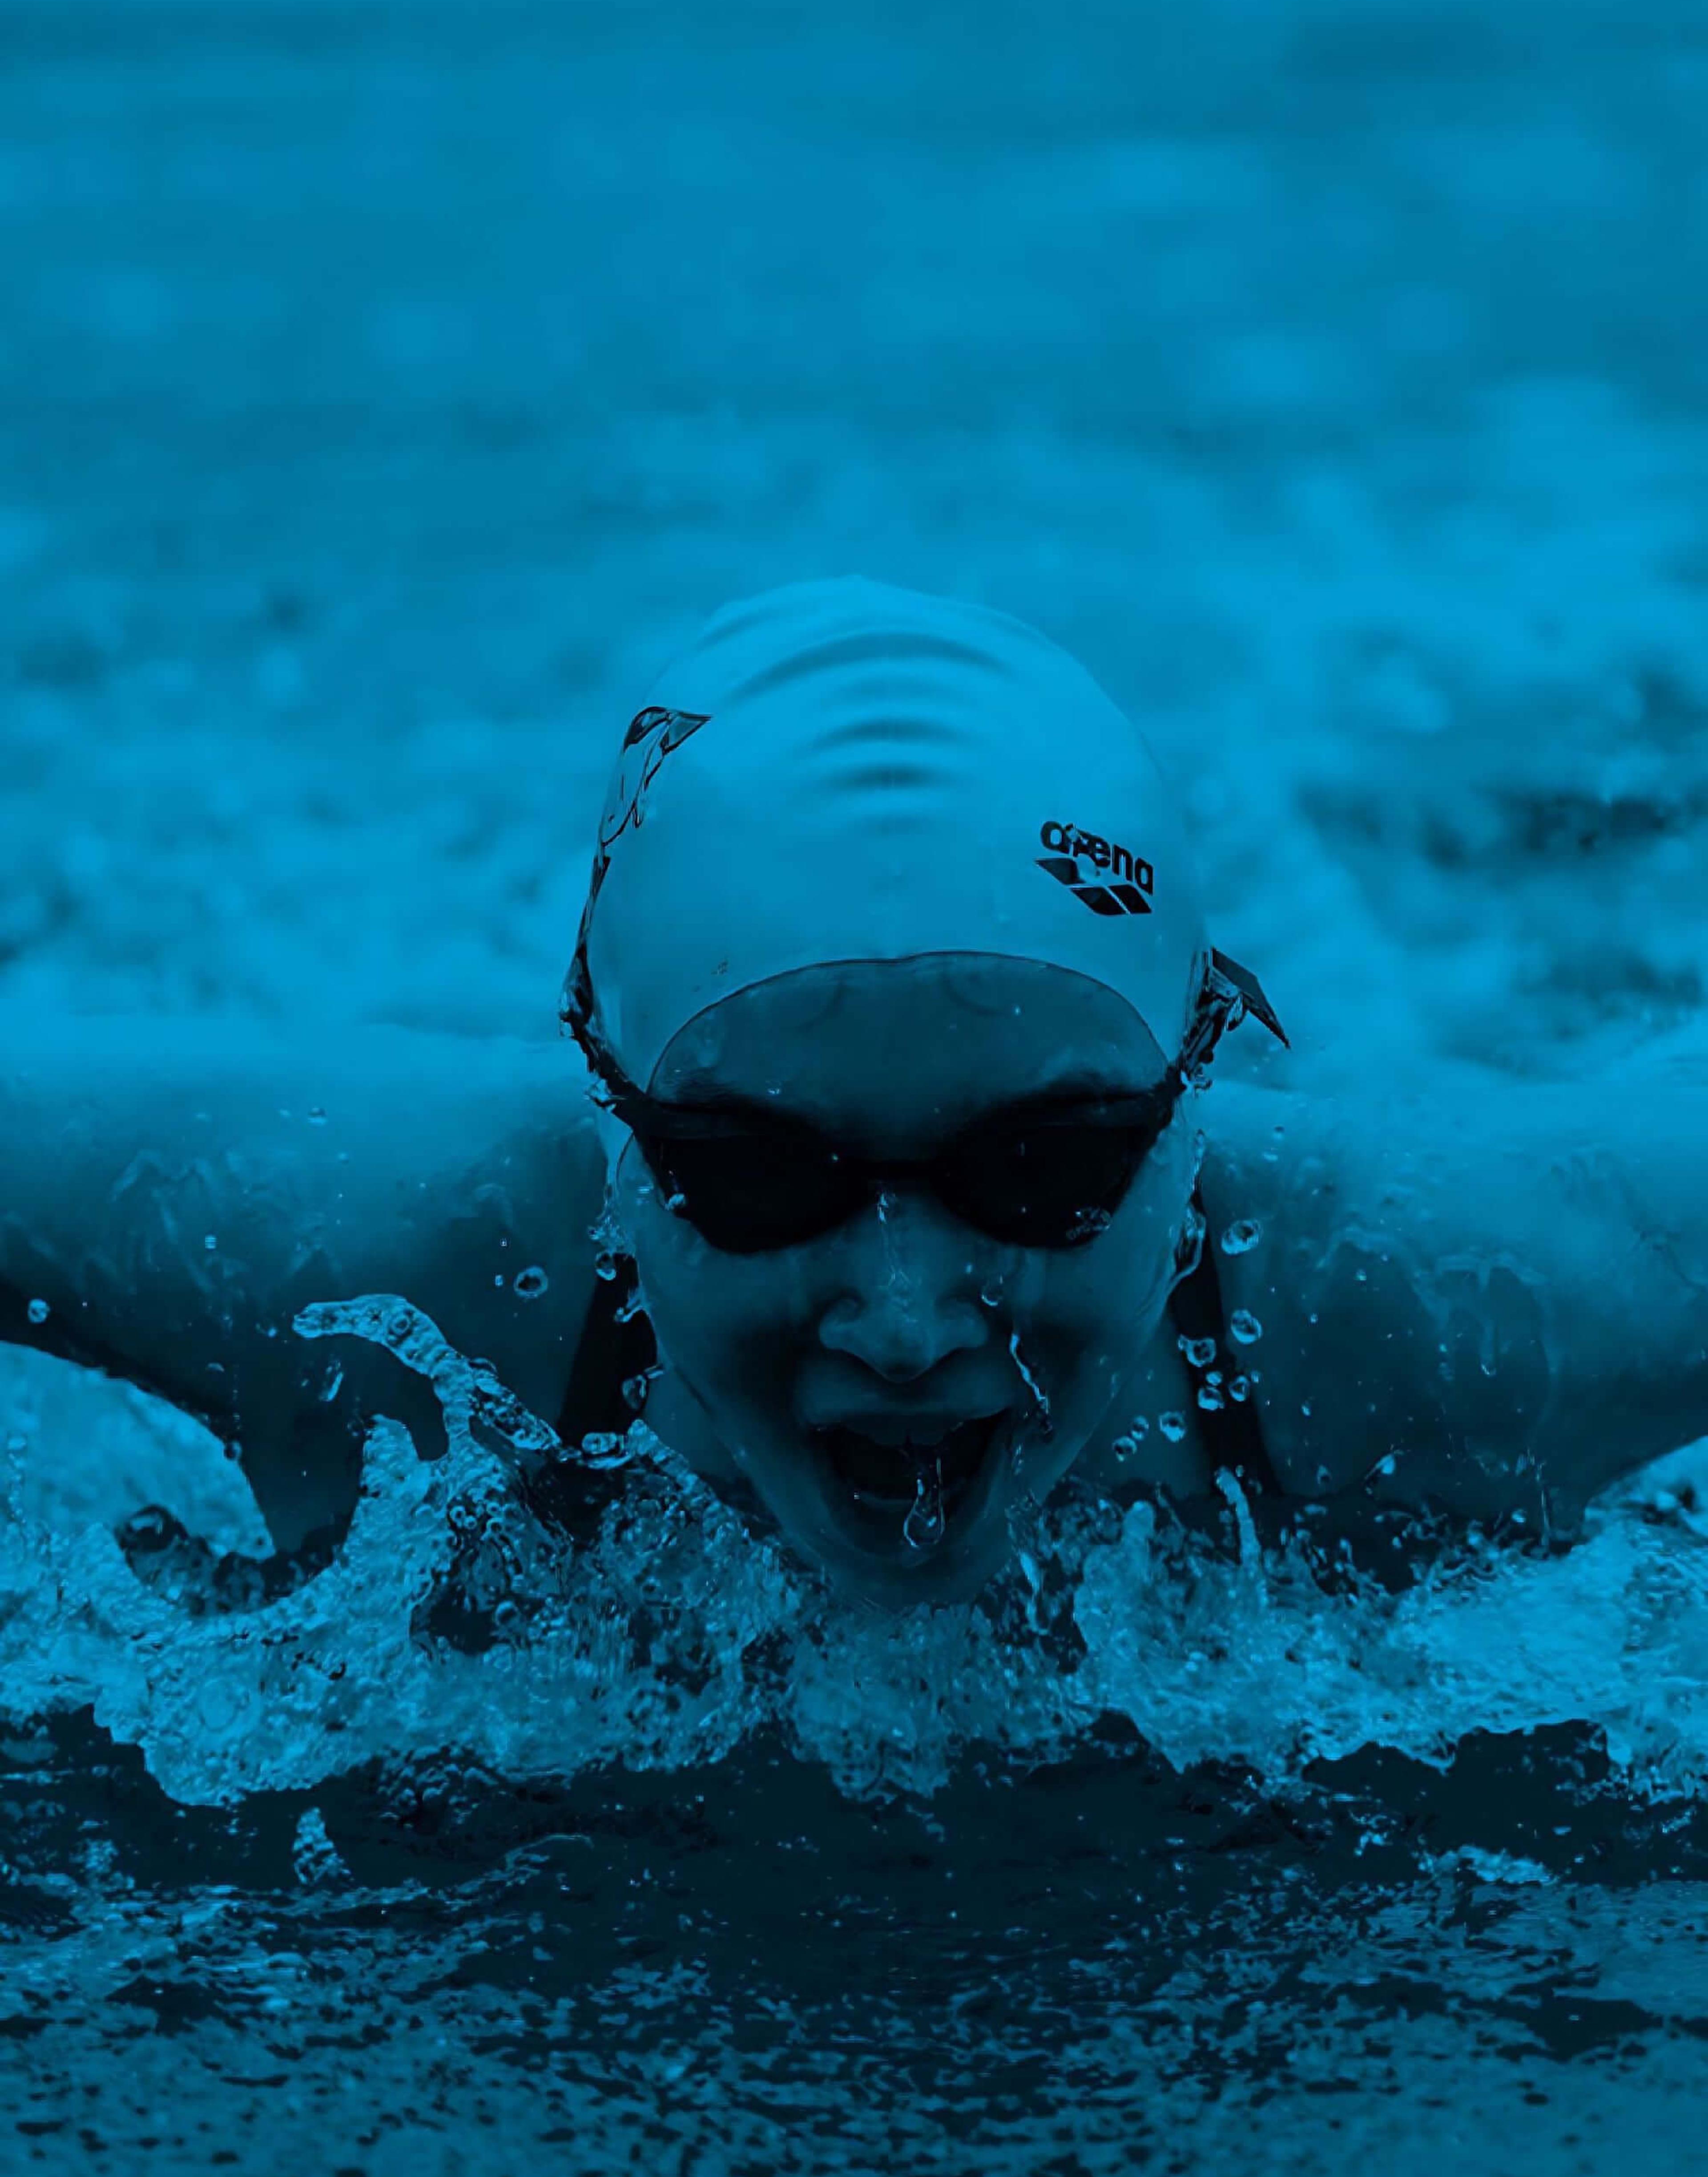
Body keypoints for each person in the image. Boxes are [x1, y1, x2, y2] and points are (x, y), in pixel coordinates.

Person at [2, 577, 1704, 1610]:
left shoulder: (1466, 1313)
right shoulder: (385, 1276)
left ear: (1201, 1088)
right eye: (753, 1174)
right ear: (607, 1110)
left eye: (1047, 1165)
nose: (902, 1321)